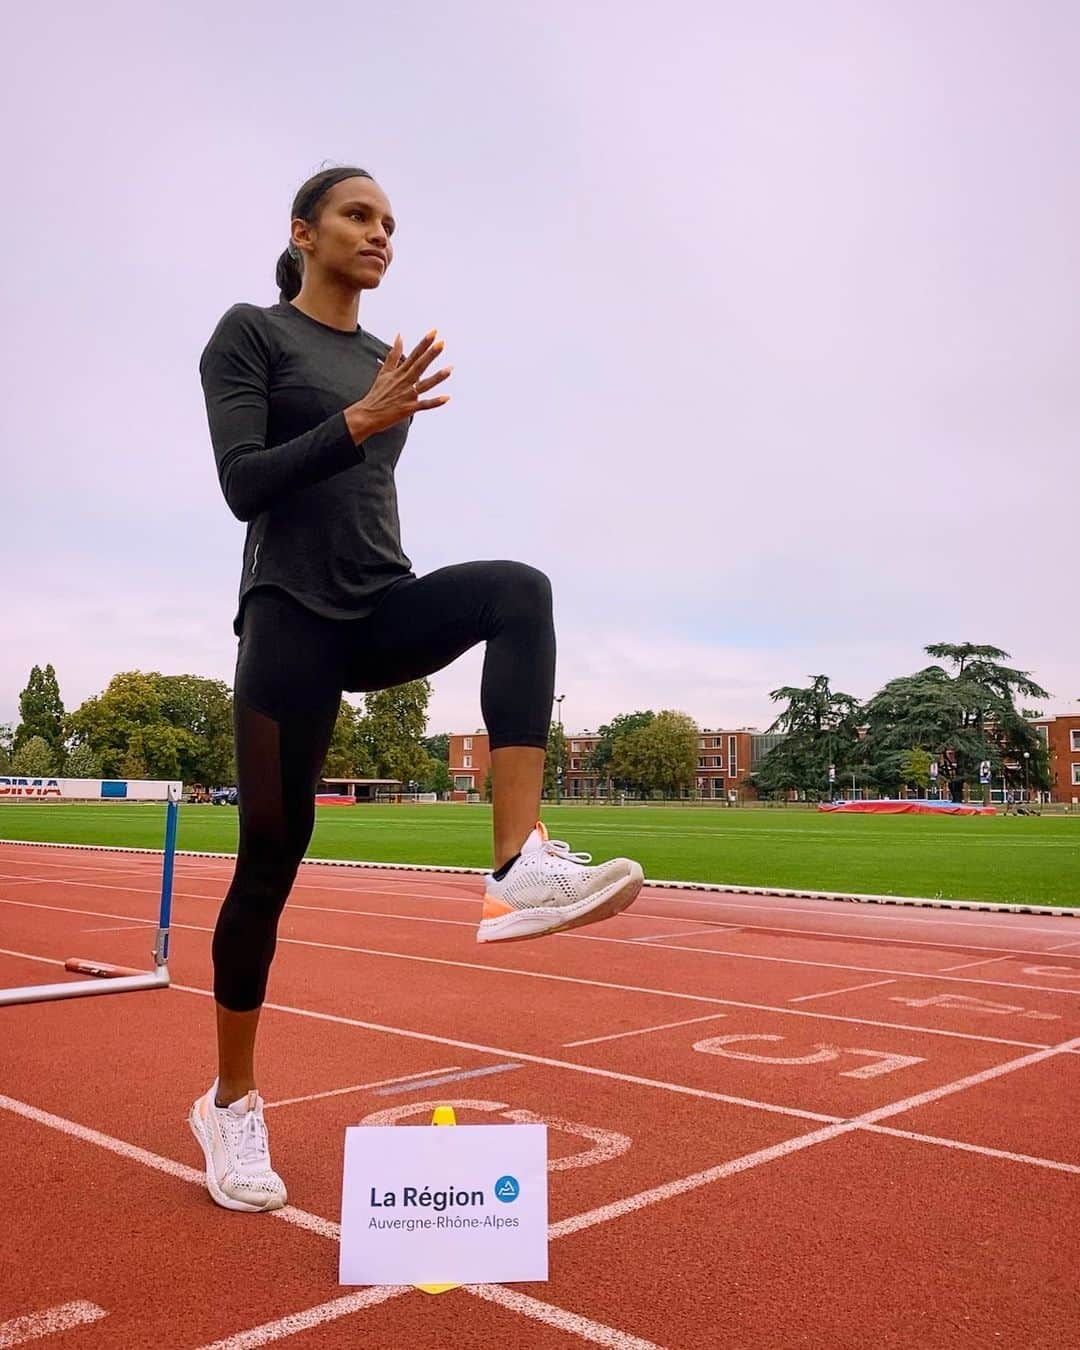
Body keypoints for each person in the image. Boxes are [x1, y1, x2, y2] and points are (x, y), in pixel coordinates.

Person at [188, 166, 645, 1213]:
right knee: (270, 859)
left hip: (378, 600)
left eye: (392, 223)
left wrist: (374, 405)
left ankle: (517, 867)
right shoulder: (250, 333)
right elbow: (241, 484)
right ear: (304, 231)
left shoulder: (380, 359)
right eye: (359, 215)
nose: (380, 233)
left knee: (518, 592)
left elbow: (364, 496)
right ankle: (232, 1101)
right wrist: (358, 418)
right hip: (290, 615)